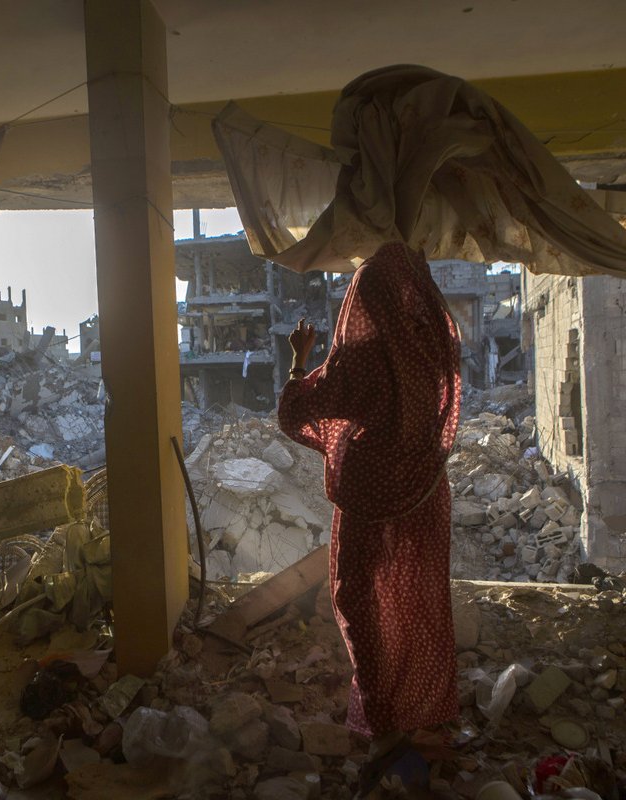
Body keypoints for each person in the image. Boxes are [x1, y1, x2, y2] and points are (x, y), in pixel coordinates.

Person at [277, 241, 462, 796]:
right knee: (418, 604)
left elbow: (294, 414)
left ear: (363, 301)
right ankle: (424, 714)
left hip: (366, 502)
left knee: (361, 605)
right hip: (424, 498)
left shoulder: (358, 361)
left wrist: (298, 360)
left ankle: (385, 727)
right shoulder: (430, 353)